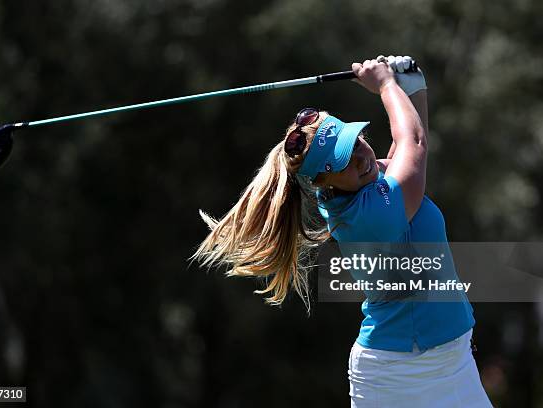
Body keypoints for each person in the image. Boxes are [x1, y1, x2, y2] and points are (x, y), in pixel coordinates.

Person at [193, 56, 493, 407]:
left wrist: (413, 85)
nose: (360, 159)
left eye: (356, 142)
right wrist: (385, 84)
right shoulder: (366, 216)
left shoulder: (366, 185)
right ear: (324, 181)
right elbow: (416, 144)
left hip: (452, 360)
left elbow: (408, 146)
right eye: (342, 161)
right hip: (398, 375)